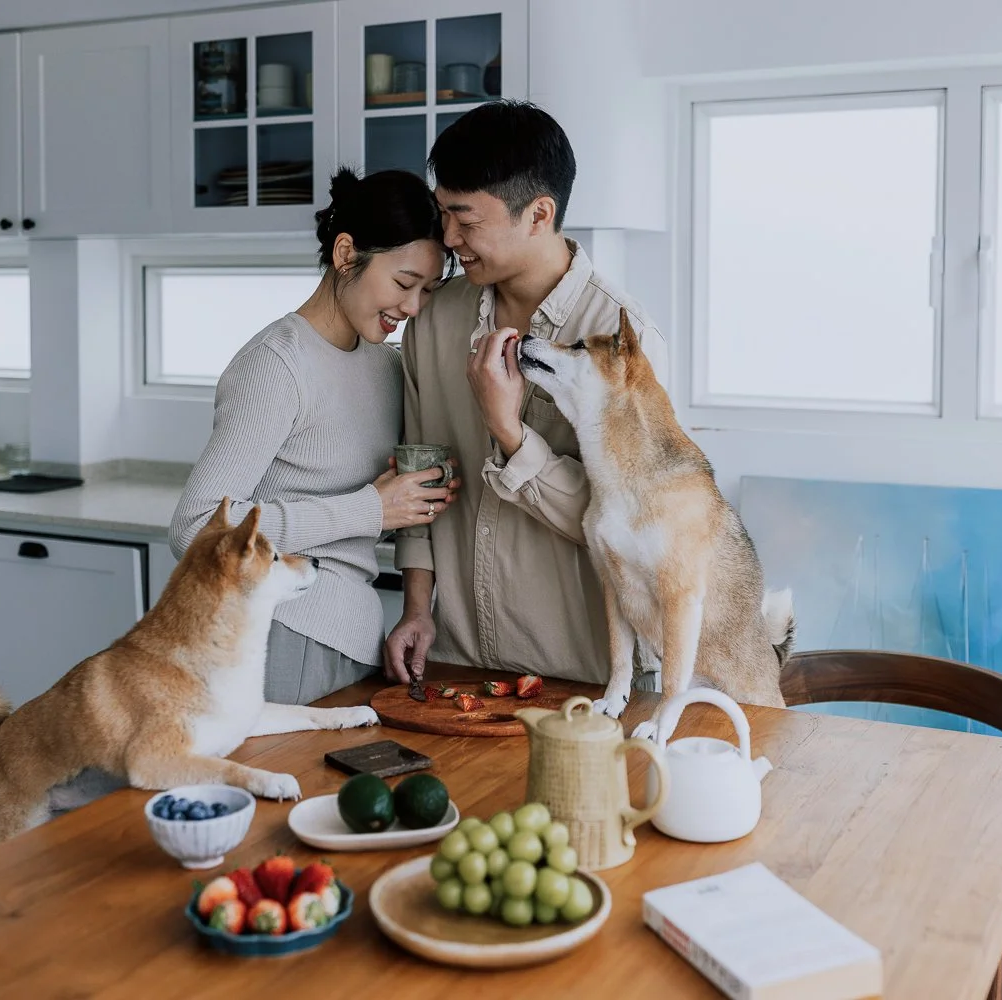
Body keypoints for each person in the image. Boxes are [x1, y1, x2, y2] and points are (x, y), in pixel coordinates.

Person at [385, 101, 670, 688]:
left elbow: (632, 529)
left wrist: (511, 434)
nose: (448, 238)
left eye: (466, 220)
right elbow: (420, 471)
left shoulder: (625, 341)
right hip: (459, 662)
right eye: (443, 214)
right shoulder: (433, 322)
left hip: (586, 675)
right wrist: (416, 607)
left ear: (539, 214)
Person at [171, 167, 459, 706]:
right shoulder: (278, 365)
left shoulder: (384, 366)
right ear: (346, 254)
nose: (413, 307)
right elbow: (196, 529)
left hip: (351, 639)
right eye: (403, 283)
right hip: (279, 632)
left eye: (427, 290)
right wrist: (370, 510)